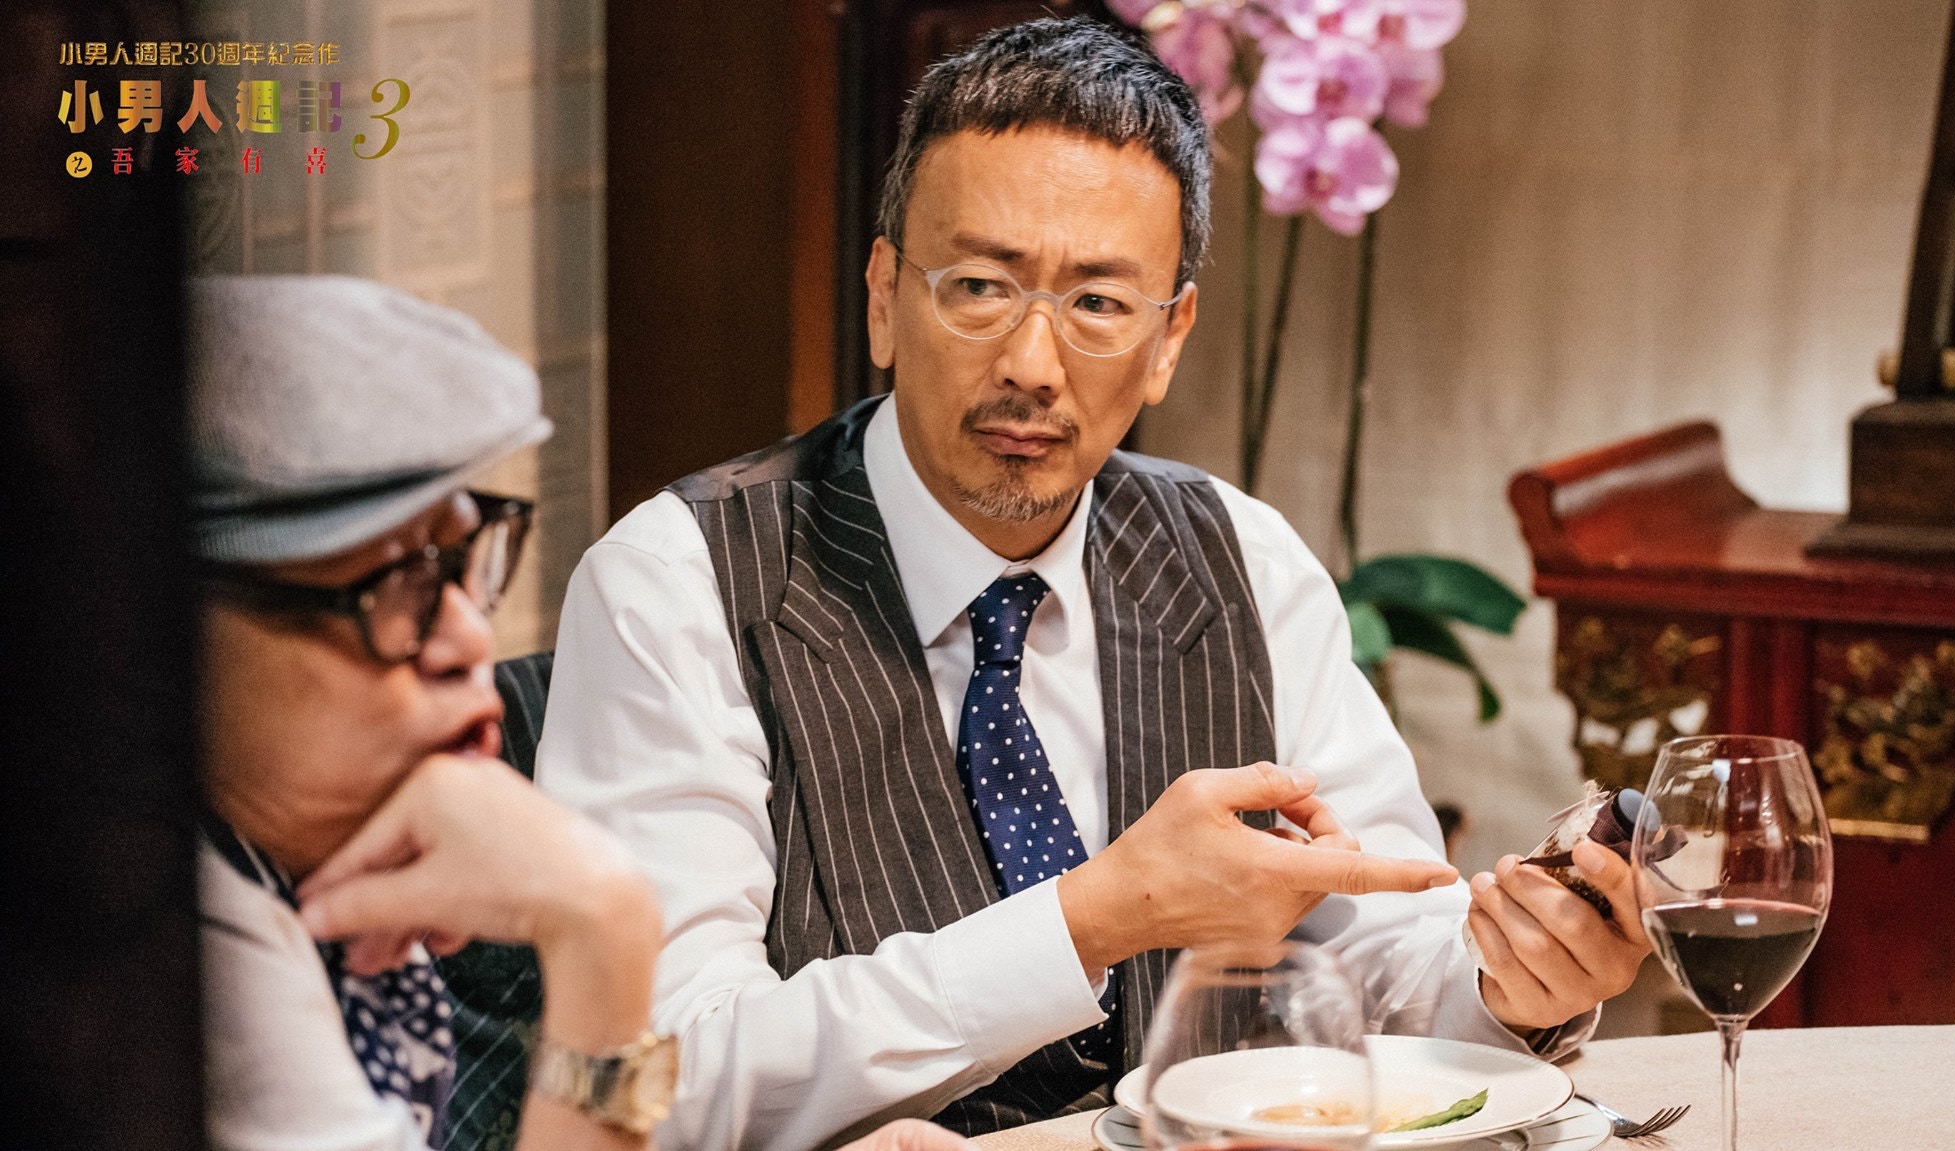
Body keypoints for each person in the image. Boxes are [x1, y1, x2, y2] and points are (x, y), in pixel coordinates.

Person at [537, 18, 1650, 1151]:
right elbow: (647, 1082)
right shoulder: (675, 587)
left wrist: (1516, 978)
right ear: (882, 296)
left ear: (1169, 339)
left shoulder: (1244, 562)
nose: (1031, 364)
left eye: (1098, 305)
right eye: (979, 286)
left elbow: (1389, 966)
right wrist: (1088, 920)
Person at [190, 274, 969, 1151]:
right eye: (397, 586)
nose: (467, 638)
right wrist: (604, 927)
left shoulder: (312, 850)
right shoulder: (188, 956)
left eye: (462, 561)